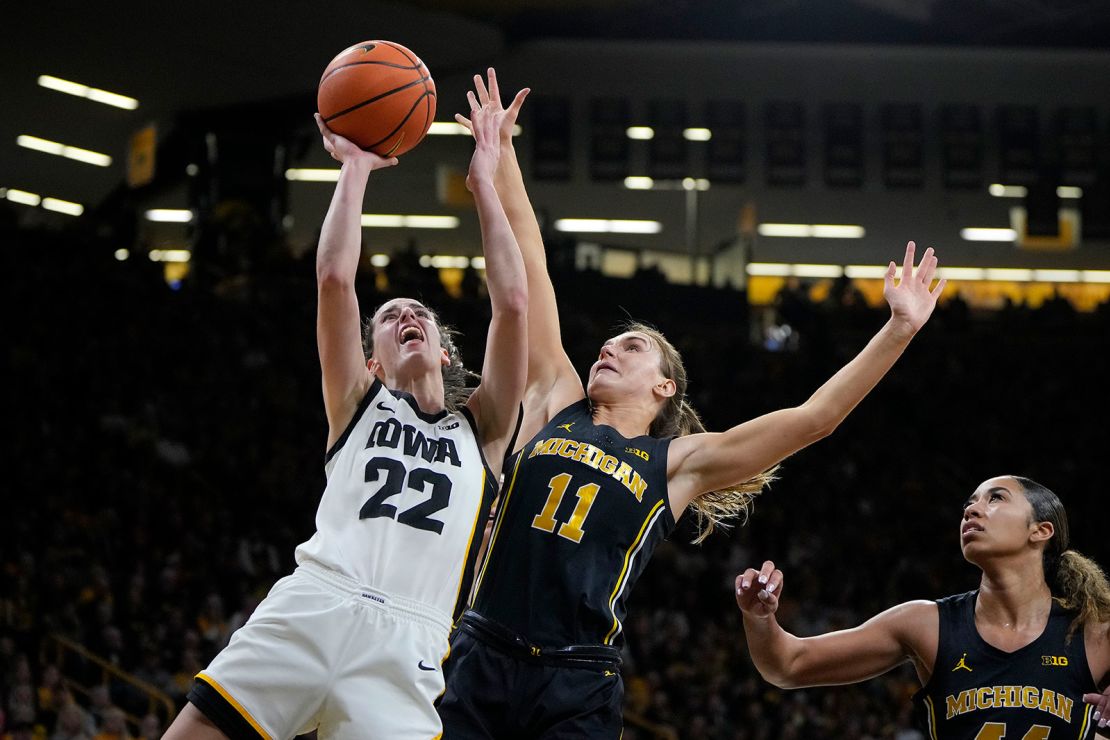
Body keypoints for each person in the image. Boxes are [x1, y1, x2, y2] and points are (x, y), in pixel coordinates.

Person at [436, 68, 947, 738]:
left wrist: (898, 329)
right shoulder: (557, 398)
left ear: (665, 386)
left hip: (576, 679)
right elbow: (530, 262)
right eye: (608, 344)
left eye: (633, 347)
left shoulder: (676, 463)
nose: (608, 350)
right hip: (482, 650)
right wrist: (501, 158)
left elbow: (814, 419)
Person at [162, 89, 528, 740]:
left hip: (409, 642)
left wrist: (485, 183)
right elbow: (334, 277)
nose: (407, 317)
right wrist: (354, 169)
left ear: (445, 353)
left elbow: (514, 305)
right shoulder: (356, 403)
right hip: (316, 603)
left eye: (421, 314)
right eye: (390, 318)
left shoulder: (487, 429)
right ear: (375, 362)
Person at [735, 475, 1110, 738]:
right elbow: (788, 665)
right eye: (970, 503)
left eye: (995, 498)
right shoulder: (925, 624)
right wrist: (759, 618)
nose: (972, 510)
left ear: (1040, 531)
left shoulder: (1092, 631)